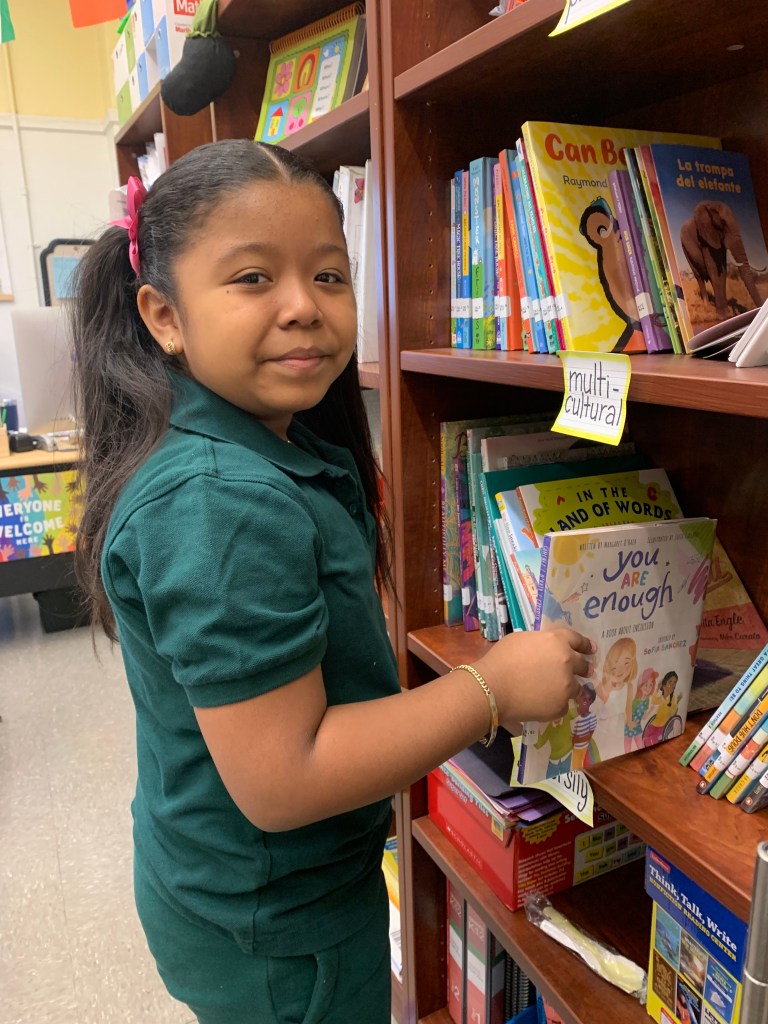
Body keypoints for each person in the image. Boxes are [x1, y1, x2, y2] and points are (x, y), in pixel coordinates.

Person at [70, 139, 595, 1024]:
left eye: (329, 276)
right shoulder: (222, 503)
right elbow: (287, 776)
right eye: (250, 279)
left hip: (230, 885)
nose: (302, 309)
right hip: (280, 927)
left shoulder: (262, 443)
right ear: (163, 316)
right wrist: (491, 688)